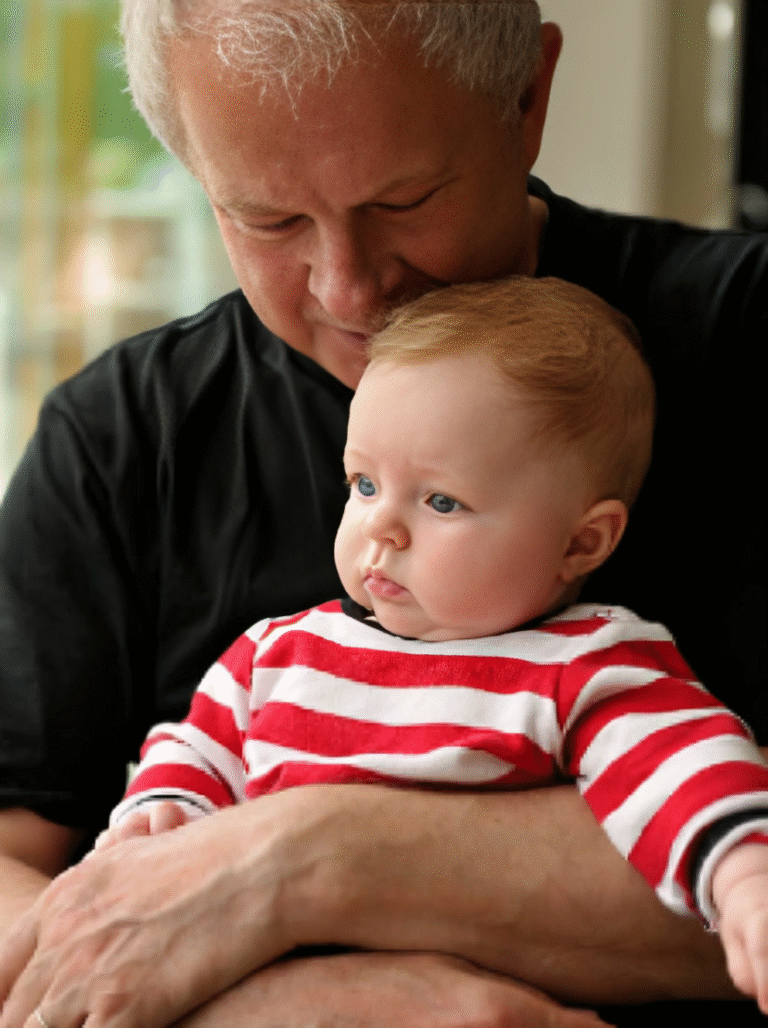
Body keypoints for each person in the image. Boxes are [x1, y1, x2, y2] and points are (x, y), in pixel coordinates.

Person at [0, 1, 765, 1027]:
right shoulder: (121, 436)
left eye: (404, 199)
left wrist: (314, 858)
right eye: (267, 220)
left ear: (528, 98)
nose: (350, 290)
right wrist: (305, 1004)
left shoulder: (743, 339)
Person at [98, 276, 768, 1015]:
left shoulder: (583, 665)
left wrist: (743, 877)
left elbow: (683, 769)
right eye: (363, 484)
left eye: (441, 500)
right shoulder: (277, 653)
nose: (380, 526)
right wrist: (159, 812)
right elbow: (194, 752)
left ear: (582, 542)